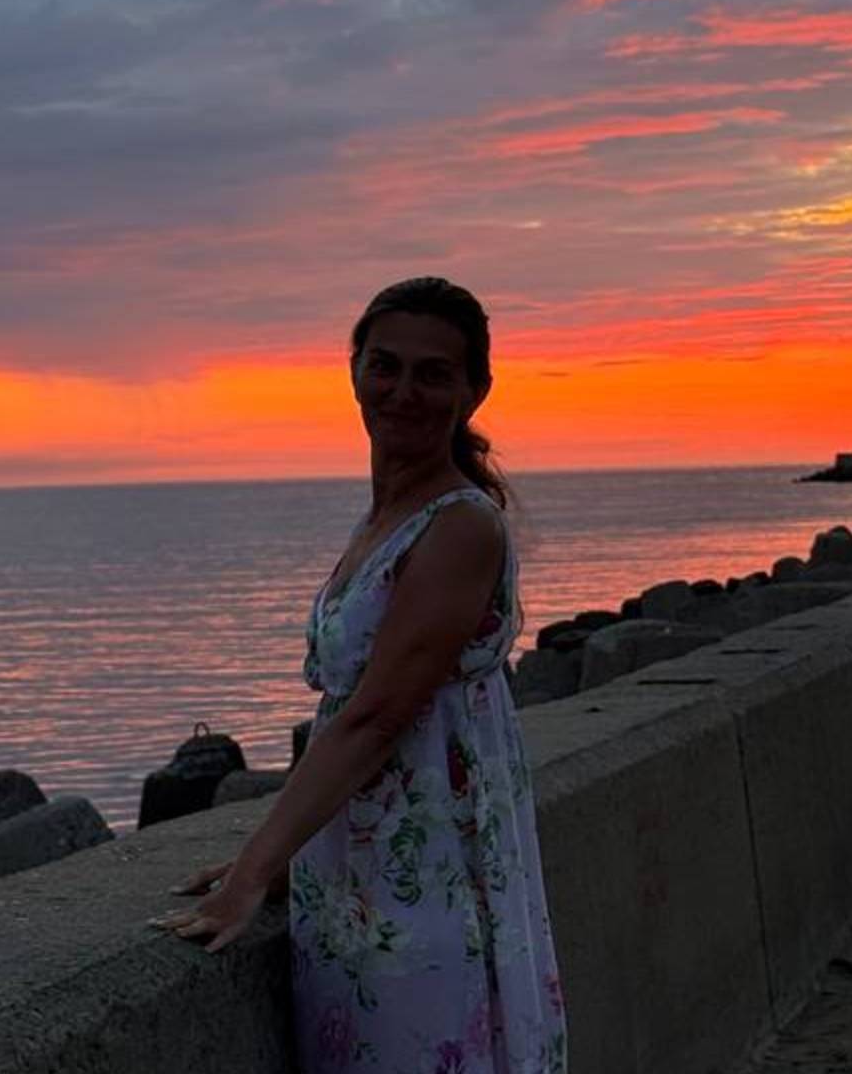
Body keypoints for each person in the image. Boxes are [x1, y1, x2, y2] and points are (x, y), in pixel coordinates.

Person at [158, 277, 566, 1073]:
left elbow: (378, 716)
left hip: (429, 877)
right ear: (353, 372)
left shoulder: (461, 526)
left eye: (432, 374)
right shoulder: (386, 518)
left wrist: (251, 873)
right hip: (358, 871)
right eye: (385, 366)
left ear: (476, 389)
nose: (403, 392)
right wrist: (288, 857)